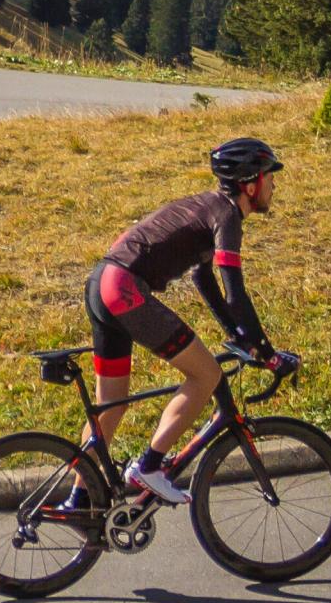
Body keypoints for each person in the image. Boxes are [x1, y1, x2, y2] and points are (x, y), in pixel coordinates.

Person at [67, 137, 298, 511]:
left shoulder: (207, 207)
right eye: (270, 177)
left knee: (110, 406)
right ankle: (151, 466)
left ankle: (77, 500)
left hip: (101, 285)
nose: (275, 186)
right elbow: (234, 292)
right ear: (250, 184)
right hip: (125, 290)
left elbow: (202, 280)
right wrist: (267, 352)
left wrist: (238, 335)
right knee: (206, 376)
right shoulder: (226, 216)